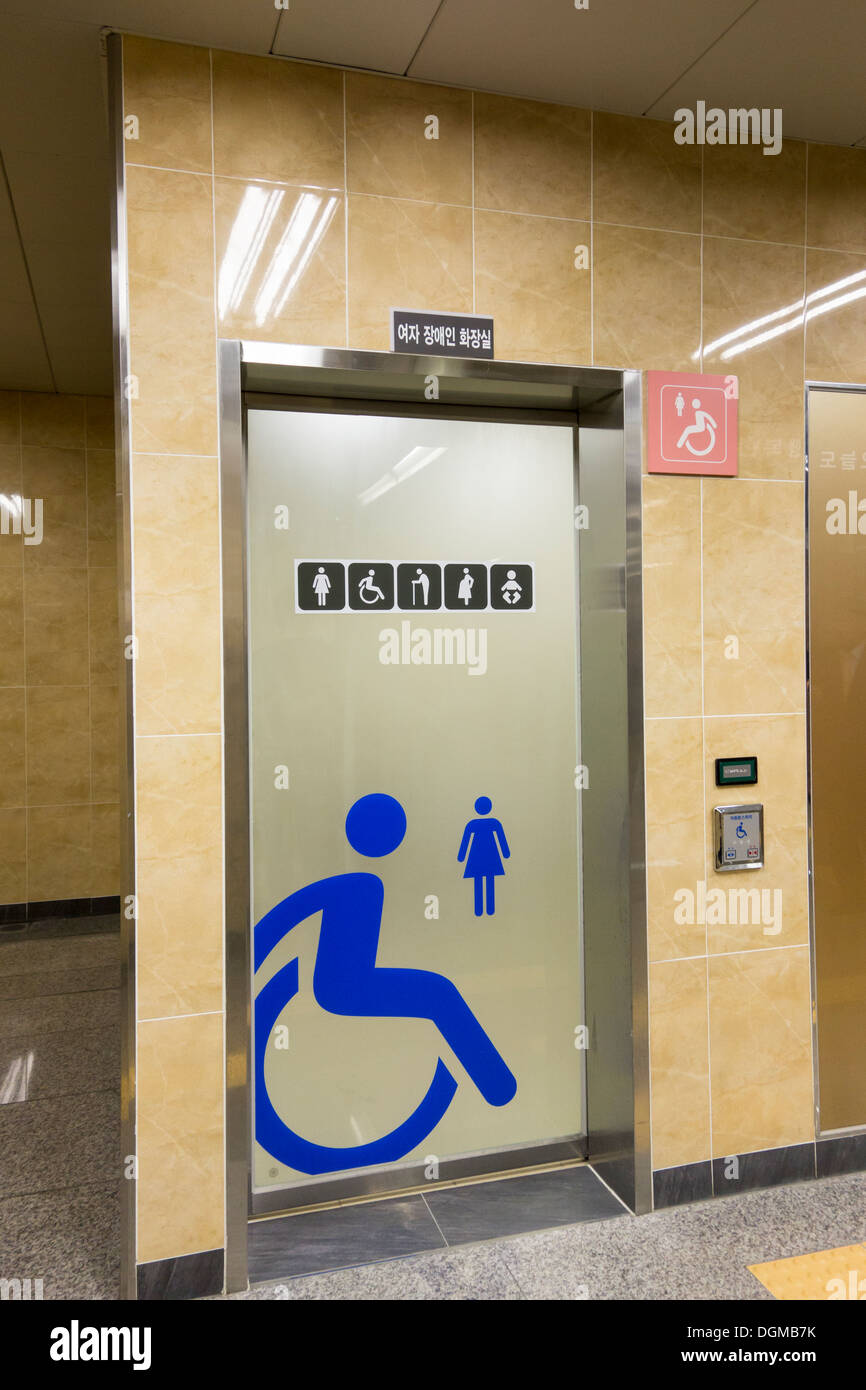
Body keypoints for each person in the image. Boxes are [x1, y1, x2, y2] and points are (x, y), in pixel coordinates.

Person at [457, 796, 510, 916]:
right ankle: (487, 909)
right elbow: (501, 839)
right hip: (490, 855)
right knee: (488, 880)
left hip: (477, 855)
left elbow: (466, 841)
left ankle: (480, 910)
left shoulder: (473, 824)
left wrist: (462, 856)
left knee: (479, 881)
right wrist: (505, 853)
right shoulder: (493, 823)